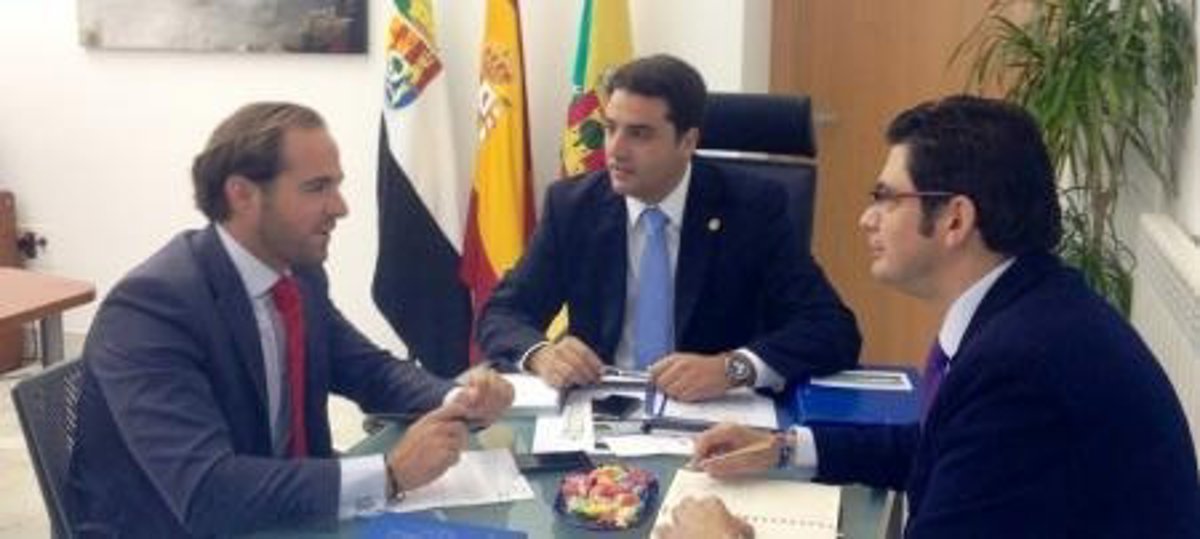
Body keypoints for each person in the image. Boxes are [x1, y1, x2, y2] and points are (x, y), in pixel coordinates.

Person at [656, 95, 1200, 538]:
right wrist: (785, 448)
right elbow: (940, 446)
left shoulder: (1021, 363)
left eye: (886, 198)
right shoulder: (1032, 305)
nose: (867, 219)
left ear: (955, 220)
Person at [67, 102, 514, 537]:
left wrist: (460, 398)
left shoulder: (297, 274)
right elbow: (207, 492)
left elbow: (367, 370)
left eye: (336, 185)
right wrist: (389, 474)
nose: (340, 207)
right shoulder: (152, 308)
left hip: (285, 516)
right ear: (242, 194)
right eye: (317, 188)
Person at [478, 54, 860, 401]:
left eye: (639, 134)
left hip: (714, 416)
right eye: (611, 128)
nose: (615, 149)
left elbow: (832, 329)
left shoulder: (751, 208)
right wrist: (541, 354)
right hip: (600, 411)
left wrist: (733, 368)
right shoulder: (573, 207)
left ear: (688, 141)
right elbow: (503, 312)